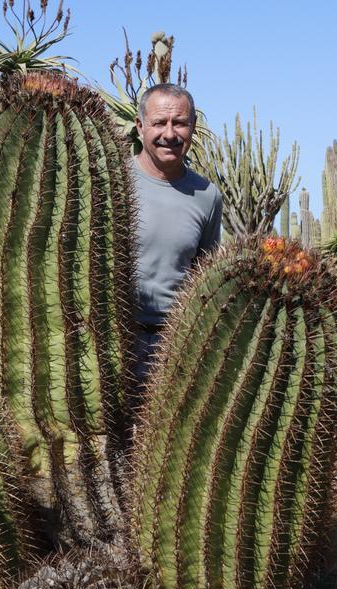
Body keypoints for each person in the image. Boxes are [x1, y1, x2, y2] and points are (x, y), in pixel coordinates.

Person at [130, 82, 222, 383]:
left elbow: (203, 277)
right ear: (140, 126)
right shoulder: (112, 181)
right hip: (112, 337)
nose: (169, 134)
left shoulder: (207, 195)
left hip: (171, 345)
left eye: (179, 123)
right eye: (159, 123)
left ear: (192, 127)